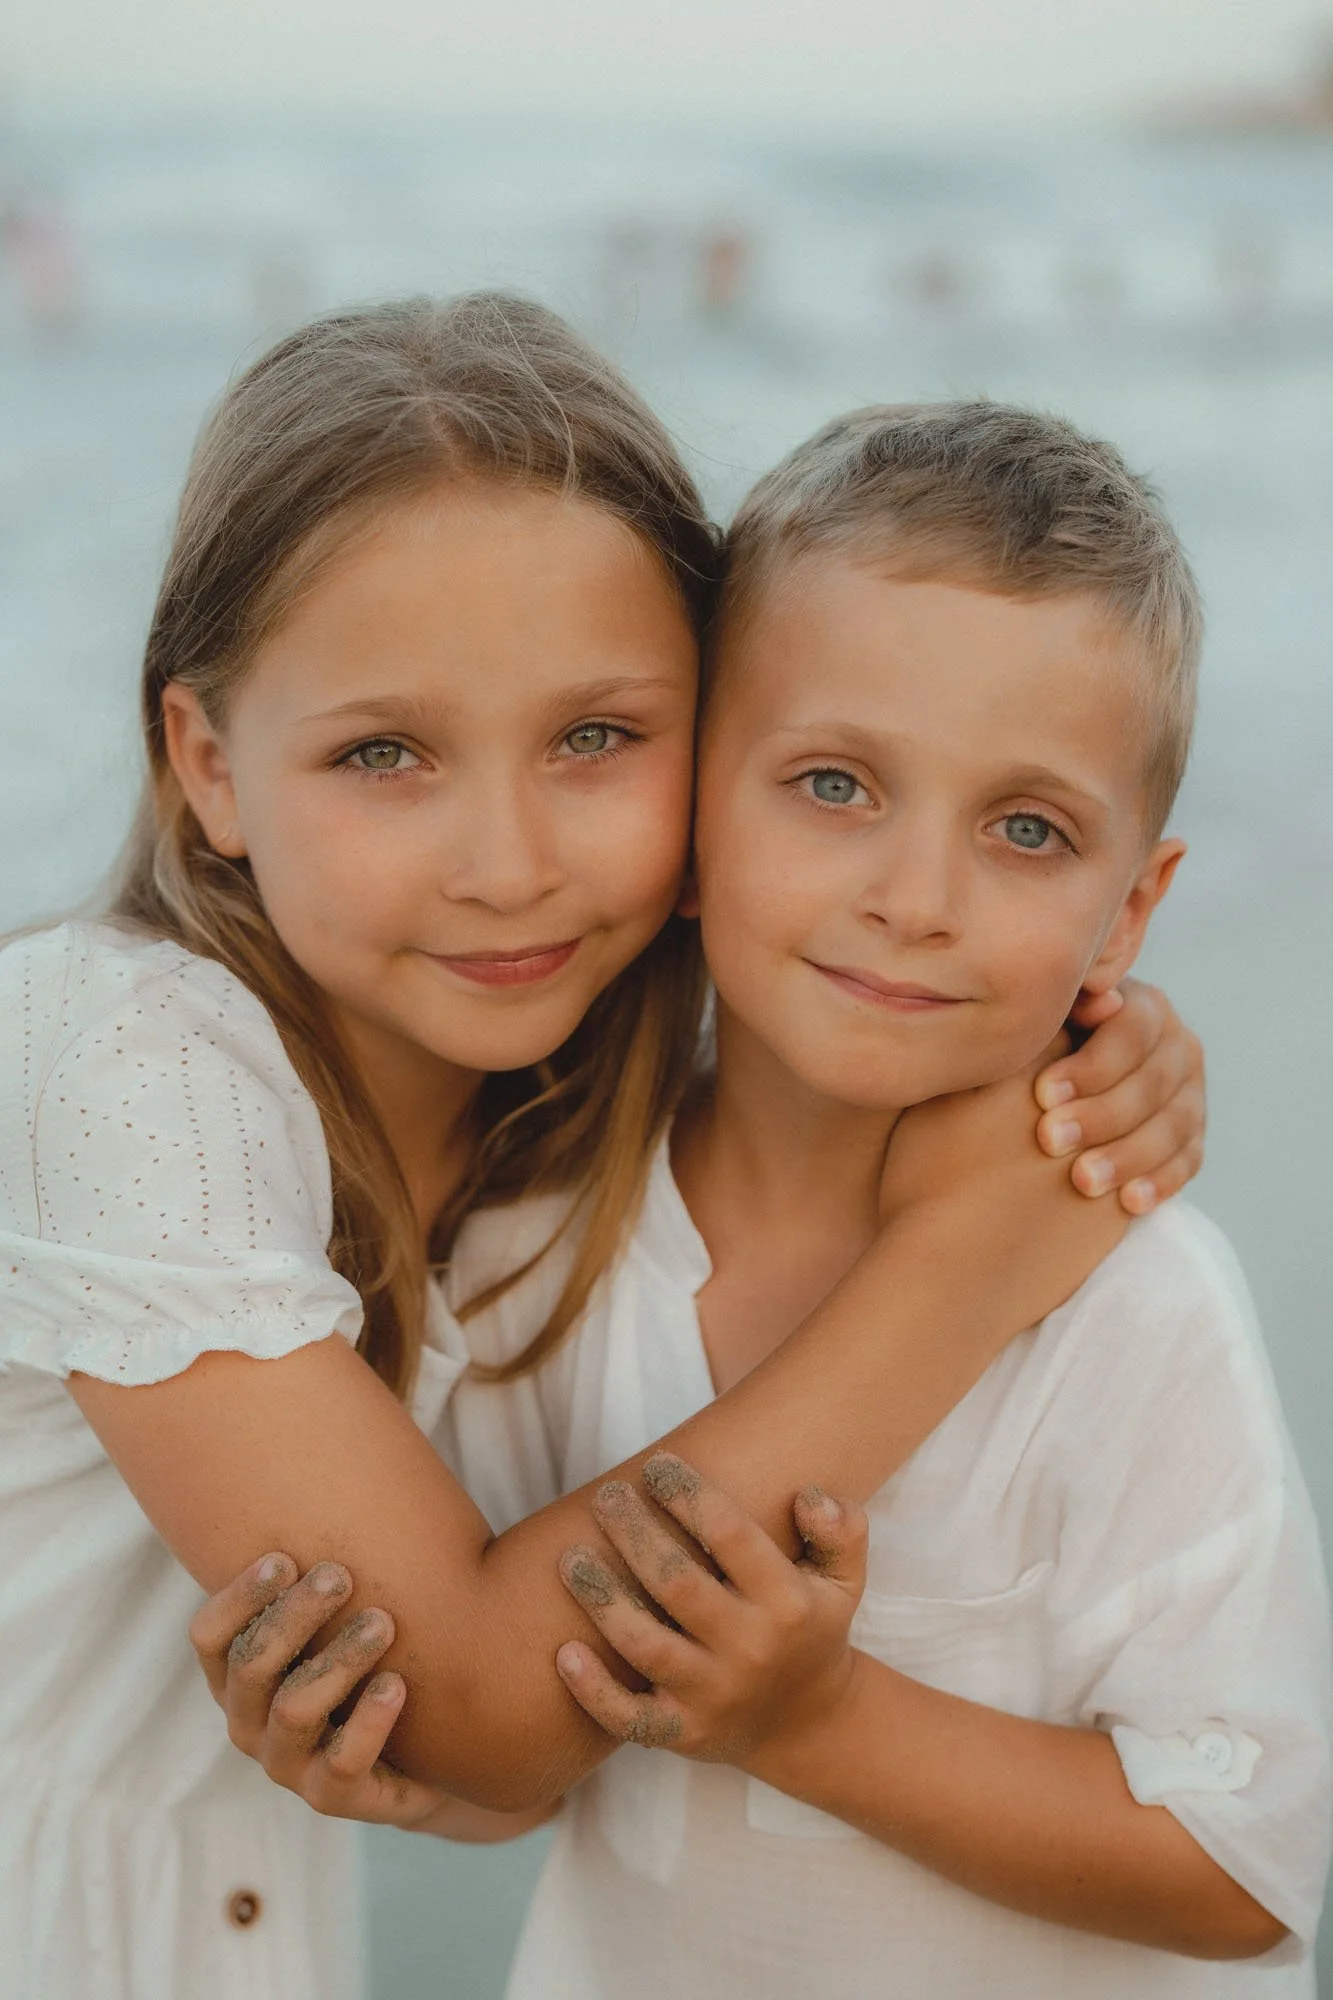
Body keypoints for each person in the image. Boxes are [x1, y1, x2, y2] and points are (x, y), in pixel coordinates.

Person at [0, 297, 1204, 2000]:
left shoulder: (566, 1097)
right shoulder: (108, 1061)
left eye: (595, 739)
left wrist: (1097, 1042)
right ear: (208, 763)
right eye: (384, 753)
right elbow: (495, 1697)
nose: (509, 864)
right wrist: (968, 1263)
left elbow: (508, 1739)